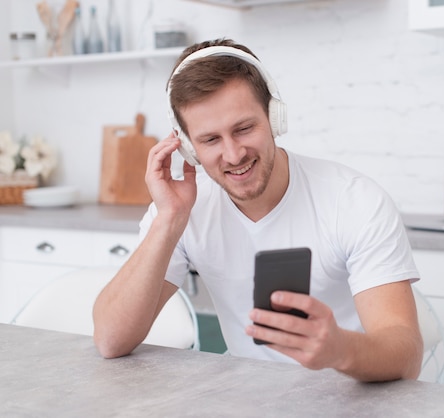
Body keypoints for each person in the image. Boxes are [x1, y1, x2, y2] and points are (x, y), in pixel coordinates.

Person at [93, 38, 423, 382]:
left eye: (244, 128)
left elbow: (407, 356)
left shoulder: (354, 201)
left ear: (274, 116)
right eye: (210, 140)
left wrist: (340, 349)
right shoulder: (182, 208)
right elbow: (110, 340)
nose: (234, 155)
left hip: (356, 396)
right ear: (188, 148)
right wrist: (169, 221)